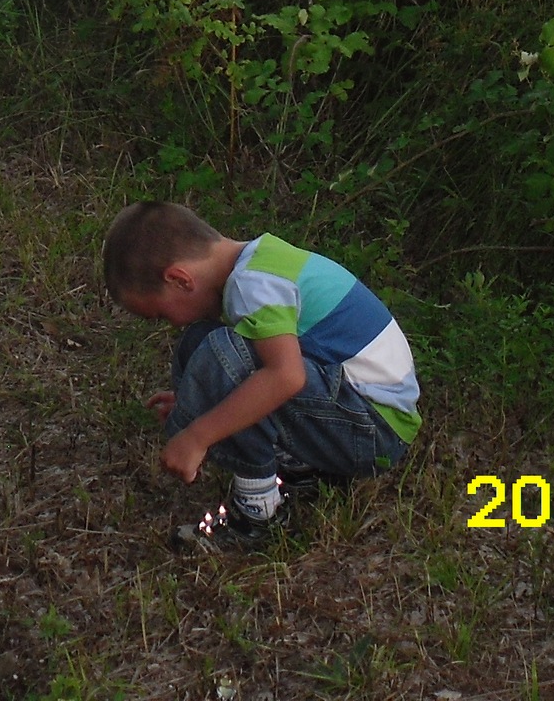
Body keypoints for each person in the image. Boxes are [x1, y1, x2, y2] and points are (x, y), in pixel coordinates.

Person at [102, 200, 422, 552]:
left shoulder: (251, 285)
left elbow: (286, 377)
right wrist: (199, 392)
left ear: (179, 279)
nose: (173, 324)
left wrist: (197, 435)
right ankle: (302, 471)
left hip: (374, 430)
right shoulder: (259, 262)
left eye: (162, 315)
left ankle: (257, 516)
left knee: (224, 353)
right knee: (201, 344)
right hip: (354, 411)